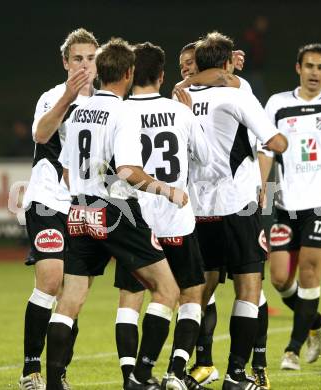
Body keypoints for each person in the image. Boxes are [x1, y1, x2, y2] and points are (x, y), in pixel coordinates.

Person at [46, 37, 188, 390]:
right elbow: (128, 172)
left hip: (79, 209)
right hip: (116, 210)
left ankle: (53, 381)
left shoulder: (79, 111)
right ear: (128, 73)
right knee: (167, 291)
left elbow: (65, 169)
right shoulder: (123, 113)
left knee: (70, 299)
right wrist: (168, 191)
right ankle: (140, 377)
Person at [186, 31, 288, 390]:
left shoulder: (179, 98)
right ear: (228, 64)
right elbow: (275, 142)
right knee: (249, 288)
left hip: (197, 210)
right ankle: (237, 373)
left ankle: (187, 367)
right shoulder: (236, 95)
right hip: (236, 205)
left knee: (199, 291)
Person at [113, 41, 212, 390]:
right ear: (161, 75)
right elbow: (205, 159)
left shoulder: (119, 112)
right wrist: (191, 116)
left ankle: (131, 376)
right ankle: (175, 371)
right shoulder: (181, 111)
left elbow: (115, 168)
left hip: (136, 219)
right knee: (190, 294)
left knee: (130, 298)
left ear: (129, 72)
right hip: (176, 218)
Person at [258, 43, 321, 370]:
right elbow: (265, 149)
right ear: (298, 68)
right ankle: (316, 321)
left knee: (309, 272)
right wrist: (261, 187)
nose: (315, 72)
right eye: (310, 66)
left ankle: (292, 349)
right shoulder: (277, 103)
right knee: (278, 279)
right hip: (287, 203)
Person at [20, 28, 99, 390]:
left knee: (73, 294)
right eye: (77, 59)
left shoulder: (106, 104)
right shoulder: (52, 97)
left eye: (90, 58)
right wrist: (68, 96)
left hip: (83, 207)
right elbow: (40, 135)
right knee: (50, 281)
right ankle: (30, 371)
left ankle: (58, 373)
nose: (84, 65)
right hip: (49, 200)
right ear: (65, 63)